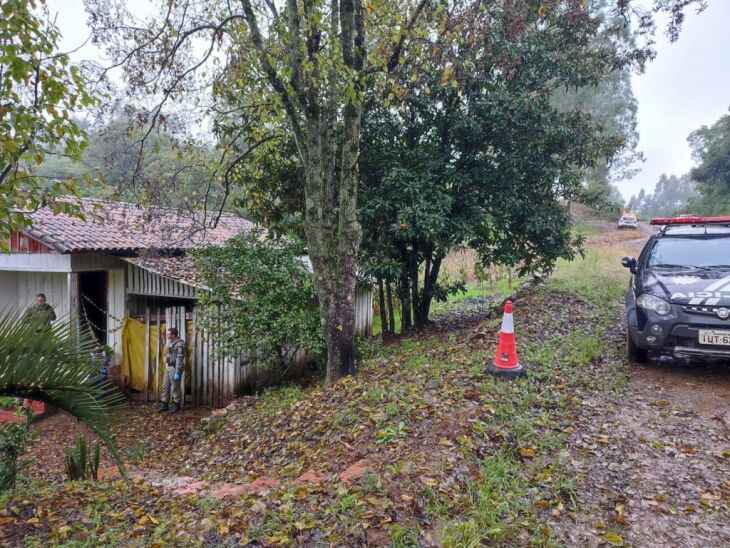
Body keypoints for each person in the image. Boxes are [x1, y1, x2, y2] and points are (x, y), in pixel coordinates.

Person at [16, 294, 57, 407]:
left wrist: (48, 315)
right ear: (36, 300)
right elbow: (24, 321)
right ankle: (22, 401)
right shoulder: (31, 309)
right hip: (35, 334)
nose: (42, 302)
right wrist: (32, 318)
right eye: (40, 300)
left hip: (46, 334)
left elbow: (54, 318)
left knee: (47, 355)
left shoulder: (48, 307)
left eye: (43, 300)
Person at [157, 327, 186, 414]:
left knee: (175, 387)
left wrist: (177, 371)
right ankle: (164, 406)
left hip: (175, 368)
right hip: (169, 367)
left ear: (173, 335)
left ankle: (177, 405)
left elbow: (180, 358)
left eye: (168, 334)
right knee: (165, 386)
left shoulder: (180, 344)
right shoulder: (171, 342)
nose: (167, 335)